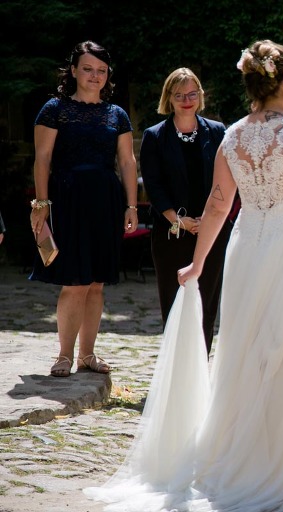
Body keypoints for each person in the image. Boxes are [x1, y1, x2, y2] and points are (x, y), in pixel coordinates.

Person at [84, 39, 283, 511]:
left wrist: (199, 261)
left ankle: (240, 457)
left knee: (245, 350)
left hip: (246, 250)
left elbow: (218, 205)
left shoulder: (233, 135)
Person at [29, 40, 138, 378]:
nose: (95, 76)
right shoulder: (54, 109)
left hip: (106, 201)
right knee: (75, 281)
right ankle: (64, 355)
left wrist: (131, 205)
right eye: (88, 69)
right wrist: (41, 204)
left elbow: (127, 161)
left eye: (101, 70)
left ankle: (87, 354)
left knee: (96, 283)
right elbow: (42, 158)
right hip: (67, 200)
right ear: (74, 71)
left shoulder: (117, 114)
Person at [140, 68, 229, 355]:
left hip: (211, 230)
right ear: (169, 98)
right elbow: (153, 184)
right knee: (174, 300)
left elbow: (227, 181)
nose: (186, 101)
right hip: (171, 232)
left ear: (200, 95)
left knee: (207, 302)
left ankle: (200, 365)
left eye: (192, 94)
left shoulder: (218, 131)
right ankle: (175, 364)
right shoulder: (155, 136)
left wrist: (210, 219)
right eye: (179, 95)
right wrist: (177, 219)